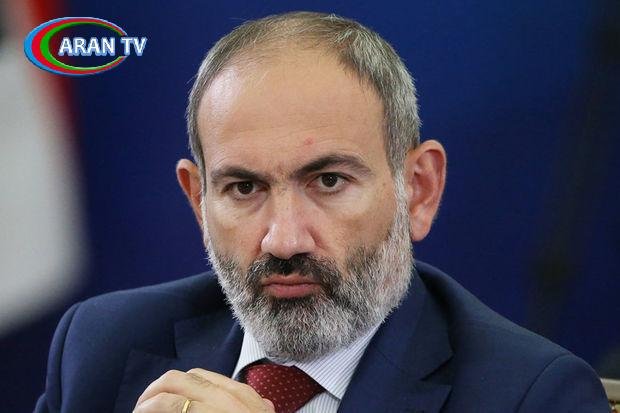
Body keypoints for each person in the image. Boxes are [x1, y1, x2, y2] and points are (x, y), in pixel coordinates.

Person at [35, 11, 609, 413]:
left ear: (418, 189)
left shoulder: (532, 396)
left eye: (329, 181)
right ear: (198, 201)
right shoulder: (102, 345)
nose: (284, 241)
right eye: (243, 188)